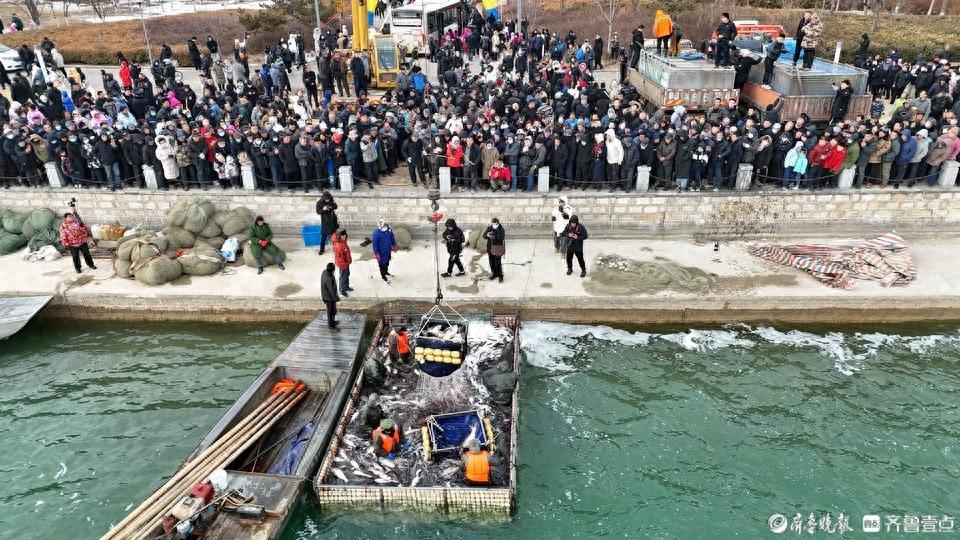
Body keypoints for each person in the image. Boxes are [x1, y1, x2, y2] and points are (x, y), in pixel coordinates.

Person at [371, 218, 397, 283]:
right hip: (381, 253)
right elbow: (375, 245)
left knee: (387, 263)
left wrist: (394, 245)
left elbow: (392, 238)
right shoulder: (376, 233)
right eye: (384, 224)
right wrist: (377, 254)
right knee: (382, 265)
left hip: (387, 251)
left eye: (385, 224)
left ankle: (386, 272)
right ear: (381, 226)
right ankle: (383, 276)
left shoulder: (389, 230)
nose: (386, 225)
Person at [315, 190, 338, 255]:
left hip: (332, 219)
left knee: (334, 235)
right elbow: (318, 212)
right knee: (324, 236)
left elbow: (336, 206)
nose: (328, 200)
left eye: (328, 199)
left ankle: (336, 248)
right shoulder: (319, 202)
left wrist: (331, 207)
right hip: (325, 221)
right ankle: (321, 249)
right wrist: (323, 209)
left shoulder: (331, 199)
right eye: (326, 199)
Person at [332, 229, 353, 297]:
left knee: (347, 275)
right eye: (342, 235)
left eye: (344, 235)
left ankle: (346, 287)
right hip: (343, 264)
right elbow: (339, 257)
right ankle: (342, 290)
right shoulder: (339, 245)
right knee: (343, 277)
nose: (344, 236)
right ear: (339, 236)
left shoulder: (343, 241)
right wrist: (343, 265)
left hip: (346, 262)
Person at [484, 217, 505, 283]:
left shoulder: (501, 229)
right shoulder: (489, 228)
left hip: (497, 248)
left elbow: (501, 238)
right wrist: (487, 235)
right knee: (491, 262)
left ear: (498, 223)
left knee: (498, 263)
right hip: (490, 248)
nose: (494, 225)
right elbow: (484, 236)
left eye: (495, 224)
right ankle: (494, 274)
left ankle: (500, 275)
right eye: (493, 224)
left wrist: (494, 236)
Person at [320, 262, 340, 328]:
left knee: (333, 310)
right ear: (332, 270)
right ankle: (330, 325)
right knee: (330, 311)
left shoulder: (324, 272)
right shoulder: (328, 279)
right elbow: (331, 291)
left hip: (327, 296)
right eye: (334, 270)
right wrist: (336, 298)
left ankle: (332, 321)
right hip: (329, 298)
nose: (334, 271)